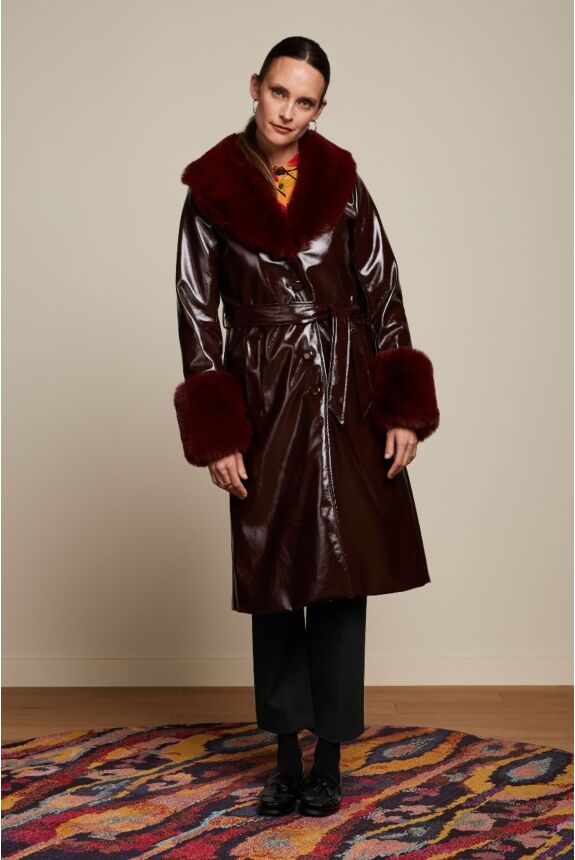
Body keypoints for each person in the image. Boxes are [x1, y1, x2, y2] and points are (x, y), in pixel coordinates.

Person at [173, 36, 440, 817]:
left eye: (305, 101)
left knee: (341, 581)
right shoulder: (210, 191)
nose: (287, 112)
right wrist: (220, 431)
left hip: (345, 393)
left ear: (321, 109)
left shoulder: (342, 181)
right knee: (274, 577)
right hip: (262, 396)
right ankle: (285, 756)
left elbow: (382, 289)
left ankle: (329, 757)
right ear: (255, 86)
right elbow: (196, 314)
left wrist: (401, 409)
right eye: (278, 93)